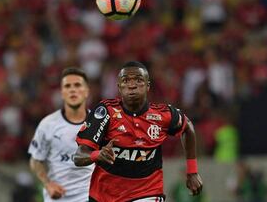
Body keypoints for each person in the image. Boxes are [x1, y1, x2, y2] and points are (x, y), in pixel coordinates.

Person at [74, 61, 203, 202]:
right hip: (104, 196)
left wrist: (192, 171)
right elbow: (79, 156)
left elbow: (188, 128)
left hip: (147, 193)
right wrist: (98, 155)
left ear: (148, 86)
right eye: (125, 81)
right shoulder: (106, 112)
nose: (132, 85)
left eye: (138, 80)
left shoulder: (163, 115)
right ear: (119, 87)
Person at [28, 67, 94, 202]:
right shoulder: (48, 124)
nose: (72, 90)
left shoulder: (99, 123)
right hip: (58, 198)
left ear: (87, 91)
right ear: (62, 93)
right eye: (67, 86)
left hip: (89, 196)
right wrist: (47, 184)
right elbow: (35, 160)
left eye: (77, 85)